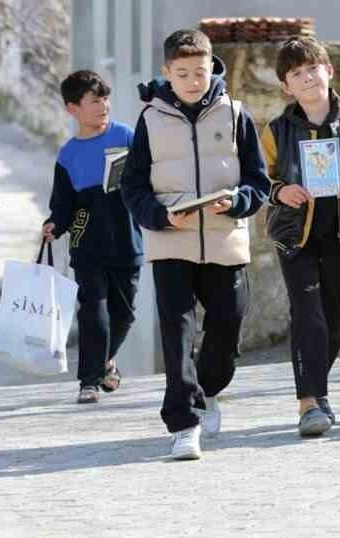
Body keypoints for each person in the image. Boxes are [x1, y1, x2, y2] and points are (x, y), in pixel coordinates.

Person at [119, 29, 271, 461]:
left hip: (224, 240)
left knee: (229, 324)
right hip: (171, 243)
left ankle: (208, 390)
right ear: (167, 72)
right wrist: (160, 216)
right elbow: (133, 187)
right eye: (182, 72)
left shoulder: (235, 114)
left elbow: (258, 181)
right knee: (177, 333)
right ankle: (184, 424)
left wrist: (238, 202)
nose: (192, 80)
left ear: (212, 67)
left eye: (199, 71)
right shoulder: (150, 120)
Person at [262, 36, 340, 437]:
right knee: (307, 314)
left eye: (313, 69)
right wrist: (281, 191)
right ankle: (308, 403)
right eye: (296, 74)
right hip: (294, 236)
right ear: (286, 86)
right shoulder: (276, 130)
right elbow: (259, 176)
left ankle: (319, 393)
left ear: (329, 71)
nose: (307, 79)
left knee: (334, 319)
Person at [40, 70, 142, 404]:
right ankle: (89, 381)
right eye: (94, 101)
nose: (103, 106)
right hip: (87, 244)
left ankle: (105, 361)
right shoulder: (68, 155)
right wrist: (55, 224)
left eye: (105, 99)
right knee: (93, 311)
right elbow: (63, 204)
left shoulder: (126, 136)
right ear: (73, 109)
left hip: (128, 240)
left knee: (124, 314)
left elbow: (147, 180)